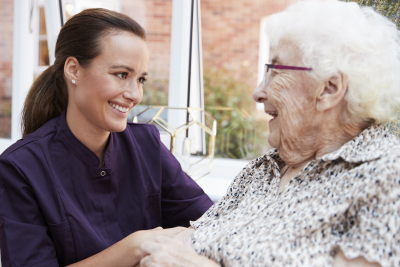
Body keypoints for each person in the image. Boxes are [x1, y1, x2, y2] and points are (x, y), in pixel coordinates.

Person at [138, 1, 400, 266]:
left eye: (275, 72)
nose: (258, 92)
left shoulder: (387, 175)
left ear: (329, 89)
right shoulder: (263, 170)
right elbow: (185, 243)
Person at [0, 8, 213, 267]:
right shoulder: (19, 168)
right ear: (73, 70)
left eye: (141, 79)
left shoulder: (148, 147)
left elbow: (212, 225)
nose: (135, 94)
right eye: (121, 75)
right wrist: (135, 246)